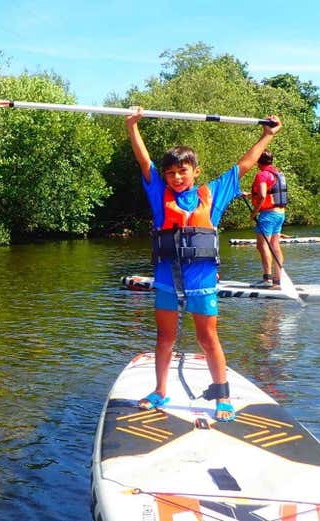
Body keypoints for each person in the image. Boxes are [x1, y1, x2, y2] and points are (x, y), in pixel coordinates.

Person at [126, 108, 281, 422]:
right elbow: (144, 161)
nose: (176, 177)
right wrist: (132, 127)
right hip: (167, 279)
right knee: (164, 339)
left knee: (208, 339)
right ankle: (160, 390)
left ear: (195, 172)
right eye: (171, 173)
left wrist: (267, 135)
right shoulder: (159, 194)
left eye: (182, 171)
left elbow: (244, 165)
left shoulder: (212, 194)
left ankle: (222, 396)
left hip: (202, 282)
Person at [249, 150, 287, 289]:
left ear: (258, 161)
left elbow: (263, 195)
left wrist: (254, 212)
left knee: (262, 245)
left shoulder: (262, 175)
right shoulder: (277, 173)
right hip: (280, 214)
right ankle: (278, 279)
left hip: (268, 215)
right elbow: (270, 192)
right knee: (275, 245)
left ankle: (267, 279)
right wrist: (250, 195)